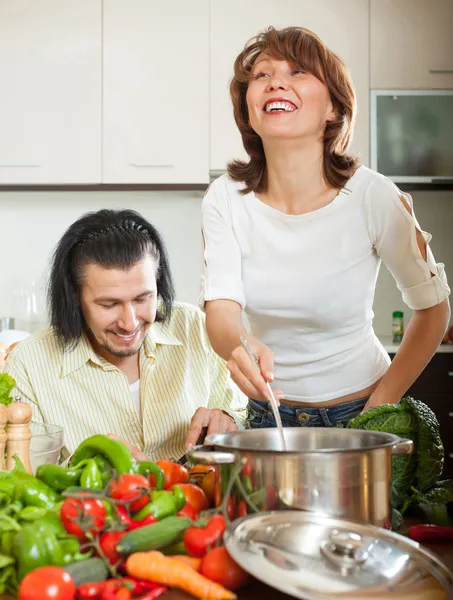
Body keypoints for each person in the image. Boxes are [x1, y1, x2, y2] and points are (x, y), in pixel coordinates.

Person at [201, 26, 451, 430]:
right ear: (248, 108)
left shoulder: (373, 195)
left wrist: (378, 409)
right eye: (262, 74)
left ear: (334, 108)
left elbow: (434, 309)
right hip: (270, 416)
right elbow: (221, 313)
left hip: (361, 407)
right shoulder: (225, 198)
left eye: (298, 71)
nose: (275, 82)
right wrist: (240, 347)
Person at [5, 209, 246, 461]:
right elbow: (21, 478)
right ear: (75, 296)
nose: (129, 323)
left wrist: (229, 419)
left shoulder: (194, 327)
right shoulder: (28, 365)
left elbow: (242, 412)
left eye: (143, 298)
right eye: (108, 305)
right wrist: (83, 467)